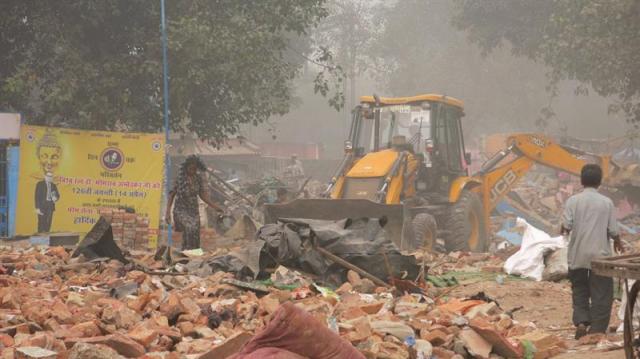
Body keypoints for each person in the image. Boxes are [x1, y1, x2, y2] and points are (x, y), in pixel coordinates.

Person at [561, 164, 622, 339]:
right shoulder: (606, 202)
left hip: (577, 255)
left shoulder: (573, 201)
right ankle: (596, 330)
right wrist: (618, 242)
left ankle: (581, 321)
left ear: (581, 180)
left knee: (579, 290)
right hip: (600, 256)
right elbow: (613, 230)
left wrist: (562, 229)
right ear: (599, 182)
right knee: (602, 293)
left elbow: (566, 227)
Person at [166, 155, 224, 250]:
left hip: (193, 210)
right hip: (181, 209)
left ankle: (193, 252)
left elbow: (202, 195)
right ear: (186, 167)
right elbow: (171, 195)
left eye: (195, 169)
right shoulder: (180, 178)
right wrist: (167, 212)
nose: (193, 171)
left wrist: (215, 206)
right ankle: (186, 251)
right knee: (189, 227)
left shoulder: (198, 179)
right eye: (191, 168)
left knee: (195, 231)